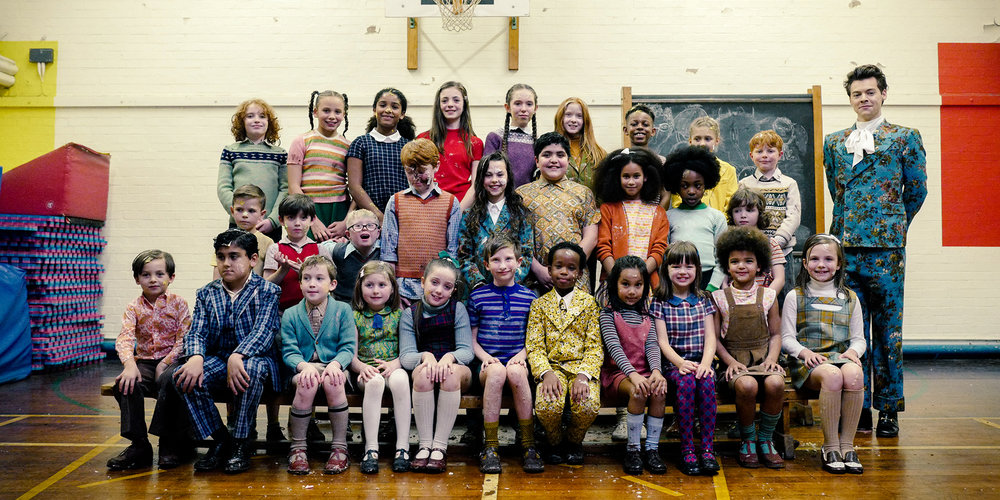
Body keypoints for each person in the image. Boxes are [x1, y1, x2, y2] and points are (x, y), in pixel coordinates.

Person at [823, 64, 927, 437]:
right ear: (849, 99)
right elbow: (839, 195)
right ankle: (858, 405)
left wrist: (891, 226)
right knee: (850, 332)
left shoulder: (904, 137)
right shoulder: (835, 142)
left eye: (870, 92)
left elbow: (916, 192)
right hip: (845, 250)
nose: (863, 98)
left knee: (888, 333)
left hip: (886, 252)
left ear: (883, 94)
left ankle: (888, 410)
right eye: (856, 94)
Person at [171, 228, 282, 474]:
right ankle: (222, 439)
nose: (226, 263)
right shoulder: (206, 293)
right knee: (183, 376)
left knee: (249, 369)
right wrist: (196, 357)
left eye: (234, 256)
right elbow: (197, 331)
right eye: (221, 257)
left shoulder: (268, 291)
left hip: (257, 359)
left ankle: (241, 442)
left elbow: (263, 332)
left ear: (253, 259)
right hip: (219, 359)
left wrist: (238, 355)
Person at [782, 234, 866, 474]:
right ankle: (830, 446)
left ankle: (847, 446)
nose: (821, 265)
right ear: (805, 263)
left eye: (828, 259)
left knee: (854, 376)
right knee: (832, 376)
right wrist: (804, 352)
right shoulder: (795, 296)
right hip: (808, 363)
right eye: (815, 259)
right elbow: (787, 338)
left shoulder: (850, 298)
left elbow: (859, 339)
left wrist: (853, 352)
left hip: (840, 356)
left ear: (838, 264)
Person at [108, 250, 191, 471]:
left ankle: (169, 442)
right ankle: (139, 445)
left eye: (159, 274)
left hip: (172, 360)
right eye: (146, 275)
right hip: (143, 361)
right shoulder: (133, 307)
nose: (153, 279)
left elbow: (184, 338)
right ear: (137, 279)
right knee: (125, 385)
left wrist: (166, 363)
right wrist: (129, 365)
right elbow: (125, 337)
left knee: (170, 381)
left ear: (171, 277)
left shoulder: (179, 304)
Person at [711, 227, 785, 469]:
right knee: (747, 384)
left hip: (764, 361)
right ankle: (748, 440)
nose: (741, 266)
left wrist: (773, 359)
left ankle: (765, 439)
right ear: (726, 265)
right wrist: (730, 362)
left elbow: (775, 334)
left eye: (748, 261)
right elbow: (715, 340)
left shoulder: (768, 296)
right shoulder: (720, 298)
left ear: (760, 264)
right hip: (734, 367)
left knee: (775, 383)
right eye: (735, 261)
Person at [468, 235, 542, 474]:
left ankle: (529, 444)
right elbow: (471, 339)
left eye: (508, 259)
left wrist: (522, 354)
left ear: (519, 262)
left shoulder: (530, 297)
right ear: (486, 265)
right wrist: (484, 357)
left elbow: (534, 337)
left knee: (516, 372)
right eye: (496, 260)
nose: (503, 265)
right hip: (487, 365)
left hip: (517, 359)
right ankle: (490, 446)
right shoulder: (477, 297)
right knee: (498, 371)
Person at [526, 242, 603, 466]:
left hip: (580, 369)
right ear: (549, 269)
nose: (564, 272)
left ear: (579, 273)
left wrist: (584, 375)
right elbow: (534, 345)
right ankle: (554, 442)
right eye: (558, 266)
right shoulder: (539, 305)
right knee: (548, 405)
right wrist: (545, 372)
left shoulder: (589, 304)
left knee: (587, 404)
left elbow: (595, 346)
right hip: (553, 368)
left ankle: (574, 442)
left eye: (571, 268)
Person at [281, 256, 355, 475]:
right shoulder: (291, 314)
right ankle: (297, 448)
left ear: (332, 284)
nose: (312, 283)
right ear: (300, 284)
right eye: (307, 278)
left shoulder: (343, 310)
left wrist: (336, 364)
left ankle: (340, 447)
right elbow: (289, 350)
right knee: (307, 383)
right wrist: (303, 366)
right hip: (302, 368)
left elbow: (348, 347)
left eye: (319, 278)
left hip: (334, 366)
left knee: (334, 382)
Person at [398, 258, 473, 473]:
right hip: (427, 368)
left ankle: (439, 446)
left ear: (453, 290)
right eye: (434, 282)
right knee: (422, 375)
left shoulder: (457, 309)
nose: (439, 290)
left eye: (447, 287)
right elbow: (406, 357)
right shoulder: (410, 314)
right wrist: (425, 356)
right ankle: (424, 445)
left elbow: (466, 351)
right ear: (423, 282)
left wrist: (449, 358)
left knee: (449, 375)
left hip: (455, 368)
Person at [651, 242, 720, 476]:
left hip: (701, 362)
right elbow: (662, 342)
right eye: (676, 266)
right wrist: (680, 363)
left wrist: (706, 365)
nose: (682, 271)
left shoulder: (703, 299)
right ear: (666, 270)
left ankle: (708, 449)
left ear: (697, 269)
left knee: (707, 382)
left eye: (688, 266)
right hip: (674, 366)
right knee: (686, 383)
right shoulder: (660, 301)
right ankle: (687, 447)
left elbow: (711, 338)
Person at [600, 256, 668, 475]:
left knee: (658, 391)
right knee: (639, 392)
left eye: (638, 285)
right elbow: (614, 349)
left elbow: (652, 347)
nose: (632, 291)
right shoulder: (608, 314)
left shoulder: (646, 315)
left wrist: (656, 372)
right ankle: (633, 449)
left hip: (644, 371)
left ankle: (652, 449)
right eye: (625, 284)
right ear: (614, 285)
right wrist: (634, 376)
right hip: (618, 374)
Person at [516, 132, 600, 292]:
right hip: (536, 279)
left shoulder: (583, 193)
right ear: (536, 161)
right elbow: (516, 237)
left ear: (568, 160)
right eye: (546, 155)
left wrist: (571, 267)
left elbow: (591, 237)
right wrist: (538, 270)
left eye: (560, 155)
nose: (553, 160)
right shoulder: (522, 194)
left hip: (576, 279)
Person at [380, 138, 461, 304]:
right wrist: (393, 291)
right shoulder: (395, 202)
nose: (416, 177)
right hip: (403, 288)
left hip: (437, 290)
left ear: (436, 166)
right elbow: (388, 252)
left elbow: (452, 251)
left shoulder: (451, 203)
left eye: (422, 171)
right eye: (410, 172)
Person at [349, 261, 411, 474]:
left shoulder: (401, 315)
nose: (376, 291)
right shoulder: (354, 316)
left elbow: (407, 349)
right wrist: (360, 367)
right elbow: (351, 354)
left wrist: (397, 363)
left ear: (392, 288)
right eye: (369, 285)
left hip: (394, 366)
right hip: (366, 370)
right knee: (374, 383)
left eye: (382, 285)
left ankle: (403, 447)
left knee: (402, 380)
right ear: (360, 287)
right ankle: (371, 449)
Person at [594, 147, 669, 289]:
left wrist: (639, 277)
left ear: (645, 177)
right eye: (626, 176)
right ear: (618, 177)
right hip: (613, 282)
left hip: (647, 284)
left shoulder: (659, 212)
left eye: (636, 176)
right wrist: (619, 277)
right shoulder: (607, 209)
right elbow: (603, 247)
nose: (631, 182)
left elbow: (659, 250)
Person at [457, 151, 533, 289]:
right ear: (481, 179)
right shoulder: (469, 216)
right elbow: (464, 256)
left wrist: (509, 281)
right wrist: (479, 284)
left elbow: (526, 254)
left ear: (508, 177)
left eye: (500, 174)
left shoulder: (521, 215)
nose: (494, 180)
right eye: (488, 175)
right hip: (478, 291)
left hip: (512, 289)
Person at [739, 129, 801, 294]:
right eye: (759, 151)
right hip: (754, 251)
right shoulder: (744, 184)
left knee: (784, 295)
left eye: (770, 151)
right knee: (755, 294)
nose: (764, 155)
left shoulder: (789, 183)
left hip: (783, 251)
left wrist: (778, 240)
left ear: (780, 154)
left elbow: (793, 216)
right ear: (751, 156)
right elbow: (740, 215)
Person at [217, 98, 287, 242]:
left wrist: (272, 221)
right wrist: (241, 213)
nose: (256, 120)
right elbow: (223, 187)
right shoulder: (230, 151)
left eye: (262, 116)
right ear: (241, 122)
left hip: (268, 226)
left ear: (270, 123)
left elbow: (285, 190)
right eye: (250, 116)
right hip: (238, 224)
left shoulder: (280, 154)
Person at [287, 90, 352, 242]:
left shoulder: (349, 146)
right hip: (308, 208)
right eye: (326, 110)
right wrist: (312, 219)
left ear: (344, 115)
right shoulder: (301, 141)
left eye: (337, 112)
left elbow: (355, 186)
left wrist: (346, 221)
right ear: (315, 112)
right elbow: (293, 186)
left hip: (339, 209)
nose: (332, 116)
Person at [346, 87, 417, 221]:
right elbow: (354, 186)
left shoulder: (409, 146)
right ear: (374, 110)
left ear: (402, 114)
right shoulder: (361, 143)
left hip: (403, 215)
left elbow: (415, 185)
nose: (388, 110)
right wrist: (379, 217)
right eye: (383, 105)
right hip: (368, 218)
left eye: (394, 107)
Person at [662, 146, 726, 290]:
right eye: (685, 186)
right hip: (677, 280)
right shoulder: (668, 217)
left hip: (708, 280)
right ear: (676, 187)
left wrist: (713, 286)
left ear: (706, 185)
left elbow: (722, 257)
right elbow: (664, 256)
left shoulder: (717, 217)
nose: (691, 191)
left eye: (697, 185)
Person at [262, 194, 333, 311]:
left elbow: (331, 282)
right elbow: (266, 286)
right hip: (281, 313)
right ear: (281, 220)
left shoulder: (320, 249)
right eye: (291, 217)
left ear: (313, 220)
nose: (297, 223)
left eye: (303, 218)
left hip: (316, 312)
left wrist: (307, 272)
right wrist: (283, 270)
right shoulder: (275, 249)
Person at [418, 81, 484, 207]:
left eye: (456, 100)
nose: (450, 105)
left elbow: (476, 186)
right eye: (444, 101)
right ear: (439, 105)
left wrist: (458, 212)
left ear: (464, 104)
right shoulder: (423, 139)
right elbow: (417, 179)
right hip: (429, 206)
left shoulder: (475, 143)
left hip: (461, 206)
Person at [667, 116, 739, 212]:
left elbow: (731, 205)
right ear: (690, 141)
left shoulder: (728, 170)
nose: (702, 144)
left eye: (708, 139)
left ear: (717, 141)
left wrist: (717, 221)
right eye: (697, 139)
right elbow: (678, 202)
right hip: (688, 220)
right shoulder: (681, 168)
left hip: (720, 224)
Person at [725, 187, 786, 292]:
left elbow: (779, 279)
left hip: (763, 302)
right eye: (737, 211)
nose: (743, 215)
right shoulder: (727, 244)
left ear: (760, 213)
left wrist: (765, 300)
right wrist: (728, 298)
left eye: (749, 210)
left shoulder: (770, 244)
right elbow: (723, 280)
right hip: (734, 302)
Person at [211, 184, 274, 280]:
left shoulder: (267, 243)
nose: (245, 215)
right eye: (239, 210)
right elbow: (217, 278)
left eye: (251, 211)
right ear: (232, 211)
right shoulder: (223, 241)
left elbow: (268, 280)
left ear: (262, 214)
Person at [483, 84, 538, 188]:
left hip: (529, 200)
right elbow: (486, 175)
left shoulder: (538, 140)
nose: (523, 109)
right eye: (518, 103)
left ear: (535, 108)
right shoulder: (495, 137)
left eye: (529, 104)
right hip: (501, 200)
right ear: (507, 107)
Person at [323, 209, 382, 302]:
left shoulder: (385, 252)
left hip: (375, 304)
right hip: (345, 304)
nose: (364, 228)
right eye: (357, 226)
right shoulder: (339, 251)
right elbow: (318, 247)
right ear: (348, 234)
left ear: (378, 233)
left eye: (370, 225)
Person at [554, 97, 607, 190]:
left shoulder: (599, 154)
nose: (573, 120)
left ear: (585, 121)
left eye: (579, 116)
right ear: (560, 118)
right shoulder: (550, 152)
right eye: (568, 115)